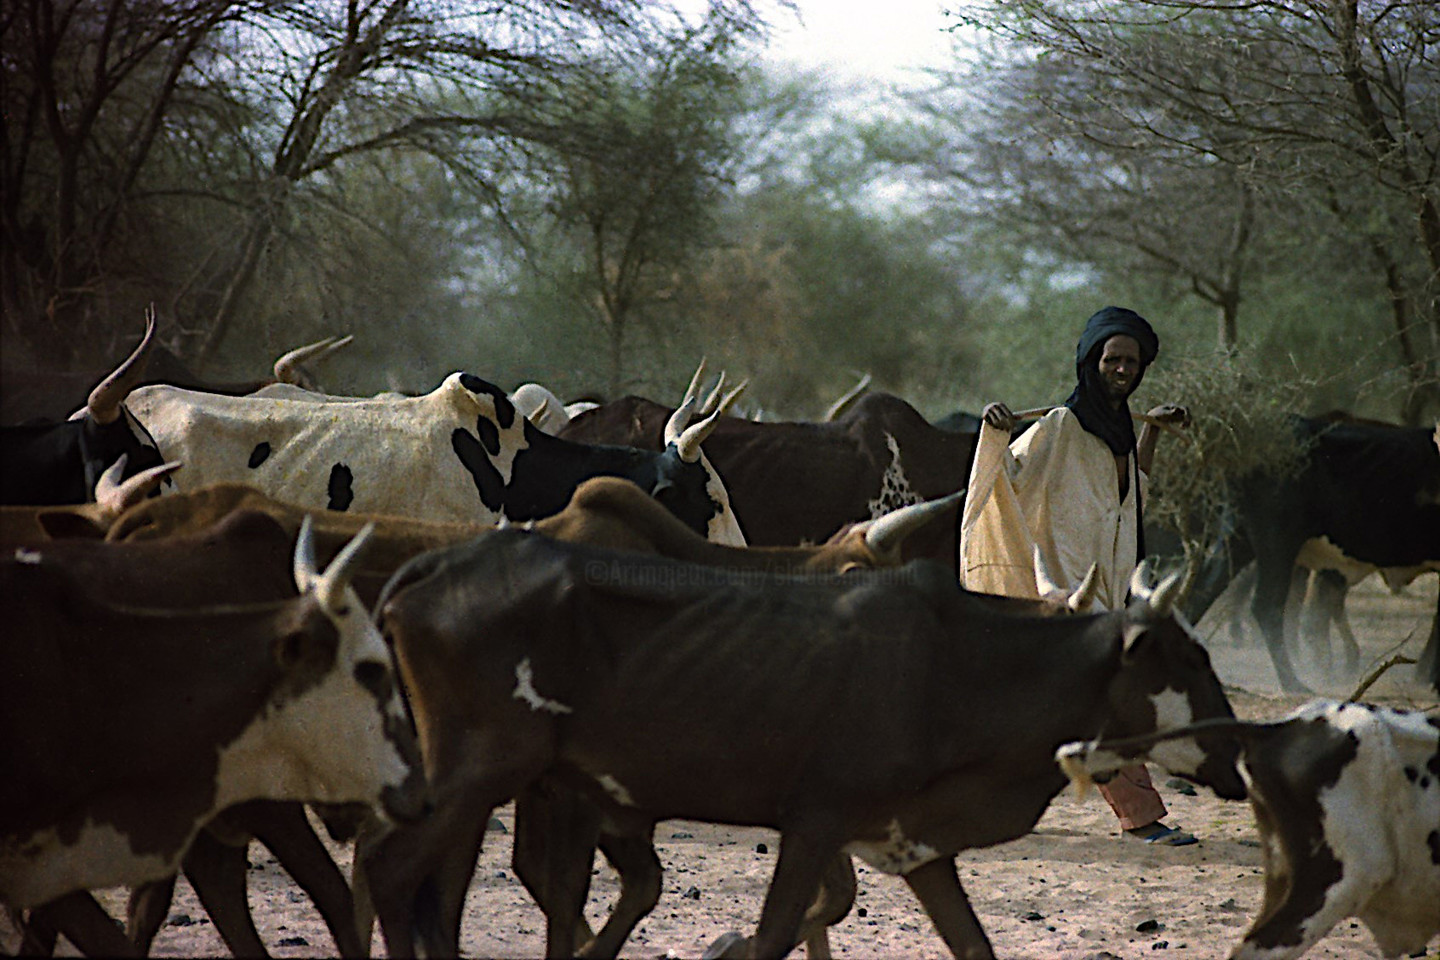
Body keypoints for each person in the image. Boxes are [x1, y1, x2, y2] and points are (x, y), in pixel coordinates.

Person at [959, 305, 1196, 845]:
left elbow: (1132, 495)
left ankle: (975, 797)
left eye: (1131, 362)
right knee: (1105, 701)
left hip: (1112, 586)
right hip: (1068, 590)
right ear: (1092, 362)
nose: (1122, 369)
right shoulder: (1060, 427)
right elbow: (1009, 478)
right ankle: (1140, 817)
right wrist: (994, 432)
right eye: (1112, 359)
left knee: (1049, 708)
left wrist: (1154, 431)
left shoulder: (1120, 431)